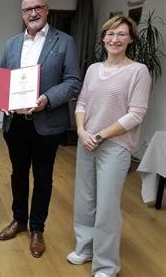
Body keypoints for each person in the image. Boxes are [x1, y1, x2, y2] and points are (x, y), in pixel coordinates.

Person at [0, 0, 82, 258]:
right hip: (16, 123)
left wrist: (47, 98)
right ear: (22, 14)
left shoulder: (64, 42)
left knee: (43, 179)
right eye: (27, 10)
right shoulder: (11, 44)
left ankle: (37, 229)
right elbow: (2, 81)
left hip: (47, 123)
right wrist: (1, 99)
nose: (32, 14)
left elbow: (73, 81)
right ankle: (18, 220)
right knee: (18, 174)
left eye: (37, 8)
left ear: (47, 11)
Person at [67, 16, 151, 277]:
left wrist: (100, 135)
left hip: (114, 145)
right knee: (85, 200)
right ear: (103, 38)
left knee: (106, 206)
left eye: (121, 35)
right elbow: (81, 103)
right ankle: (85, 248)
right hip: (87, 141)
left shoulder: (138, 71)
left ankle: (106, 265)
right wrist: (81, 131)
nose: (115, 39)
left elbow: (136, 114)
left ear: (131, 39)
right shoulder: (93, 69)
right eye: (110, 34)